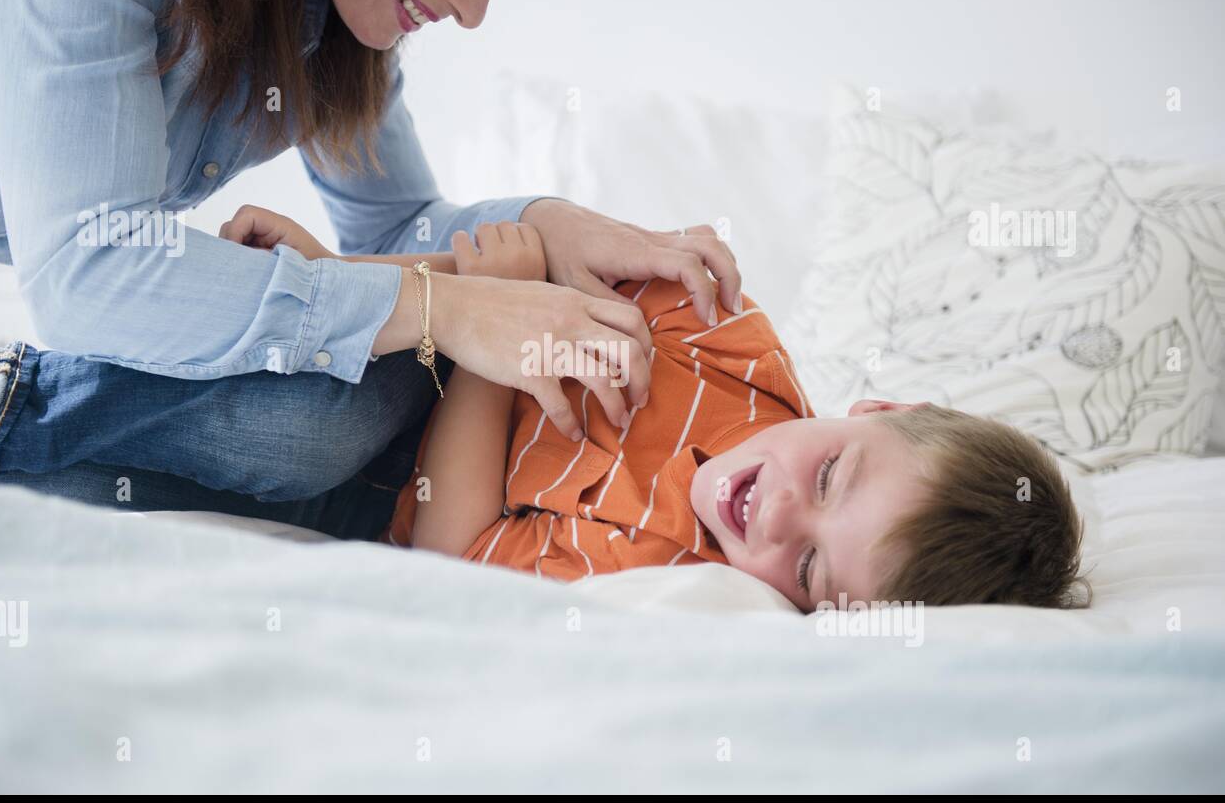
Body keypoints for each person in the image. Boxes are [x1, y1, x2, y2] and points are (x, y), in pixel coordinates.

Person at [0, 0, 741, 529]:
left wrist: (547, 225)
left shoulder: (329, 16)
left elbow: (396, 221)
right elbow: (88, 267)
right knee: (316, 420)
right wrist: (447, 307)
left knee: (321, 421)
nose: (473, 10)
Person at [385, 219, 1091, 612]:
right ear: (881, 408)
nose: (777, 517)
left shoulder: (658, 565)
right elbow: (546, 255)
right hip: (422, 311)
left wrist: (490, 316)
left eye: (809, 568)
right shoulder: (730, 340)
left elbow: (450, 559)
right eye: (828, 477)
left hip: (378, 460)